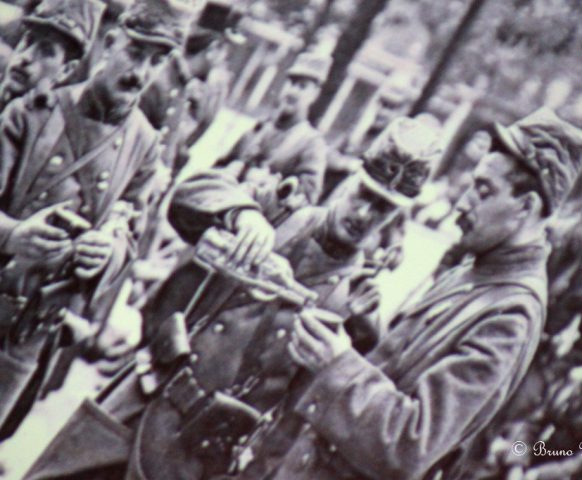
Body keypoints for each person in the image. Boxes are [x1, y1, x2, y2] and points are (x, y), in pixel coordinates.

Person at [23, 116, 440, 480]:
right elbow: (190, 194)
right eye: (364, 194)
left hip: (199, 455)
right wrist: (244, 215)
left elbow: (312, 416)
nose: (364, 215)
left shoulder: (358, 304)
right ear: (349, 176)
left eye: (382, 209)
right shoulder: (279, 211)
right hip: (142, 398)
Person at [223, 107, 582, 480]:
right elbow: (396, 370)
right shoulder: (478, 272)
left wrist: (337, 363)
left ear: (526, 207)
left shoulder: (512, 314)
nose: (462, 203)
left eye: (483, 191)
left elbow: (414, 443)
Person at [0, 0, 192, 439]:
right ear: (109, 45)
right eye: (135, 53)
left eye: (156, 61)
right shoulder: (33, 113)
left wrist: (106, 254)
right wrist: (13, 235)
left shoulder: (145, 144)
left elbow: (130, 231)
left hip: (32, 331)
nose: (140, 72)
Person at [215, 50, 332, 220]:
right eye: (291, 83)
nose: (293, 91)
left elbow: (307, 198)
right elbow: (220, 165)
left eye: (302, 87)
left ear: (314, 94)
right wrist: (229, 171)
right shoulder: (260, 128)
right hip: (221, 212)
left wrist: (272, 188)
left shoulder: (311, 144)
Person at [140, 0, 245, 175]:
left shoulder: (183, 86)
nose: (224, 61)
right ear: (213, 49)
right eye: (225, 52)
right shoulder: (160, 81)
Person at [0, 0, 105, 113]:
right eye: (27, 41)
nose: (26, 57)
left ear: (66, 70)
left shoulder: (52, 128)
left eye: (46, 51)